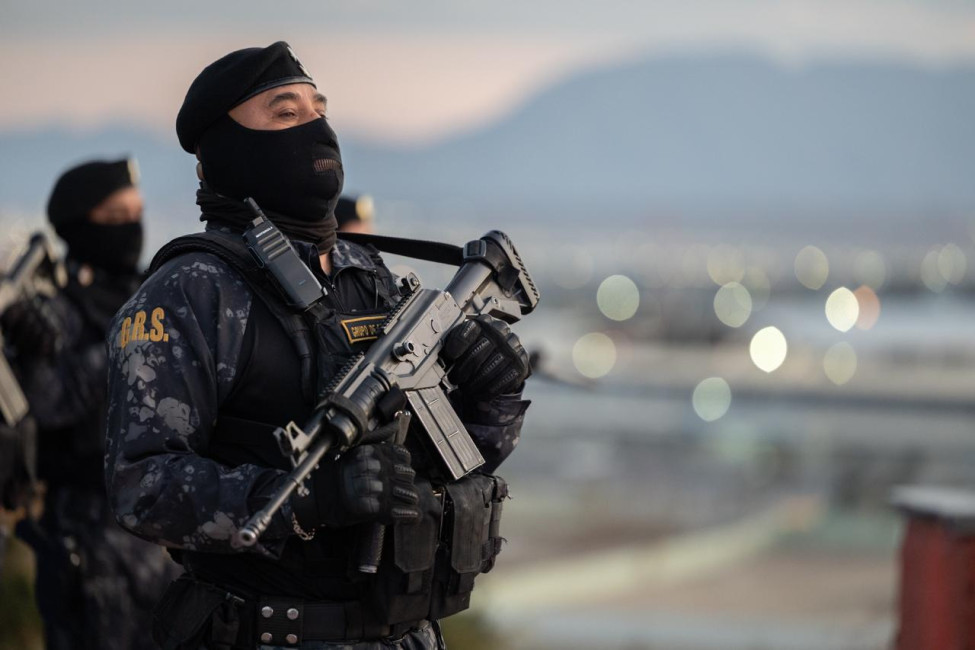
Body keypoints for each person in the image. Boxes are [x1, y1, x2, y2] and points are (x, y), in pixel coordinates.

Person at [105, 41, 531, 650]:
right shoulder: (191, 291)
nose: (316, 127)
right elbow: (142, 487)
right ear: (225, 149)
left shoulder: (369, 274)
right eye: (286, 112)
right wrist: (309, 499)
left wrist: (493, 399)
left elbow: (445, 465)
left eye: (319, 109)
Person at [1, 158, 178, 649]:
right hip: (86, 536)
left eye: (137, 213)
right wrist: (127, 345)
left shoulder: (150, 293)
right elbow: (47, 406)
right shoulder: (53, 310)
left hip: (160, 535)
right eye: (116, 216)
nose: (132, 227)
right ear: (79, 224)